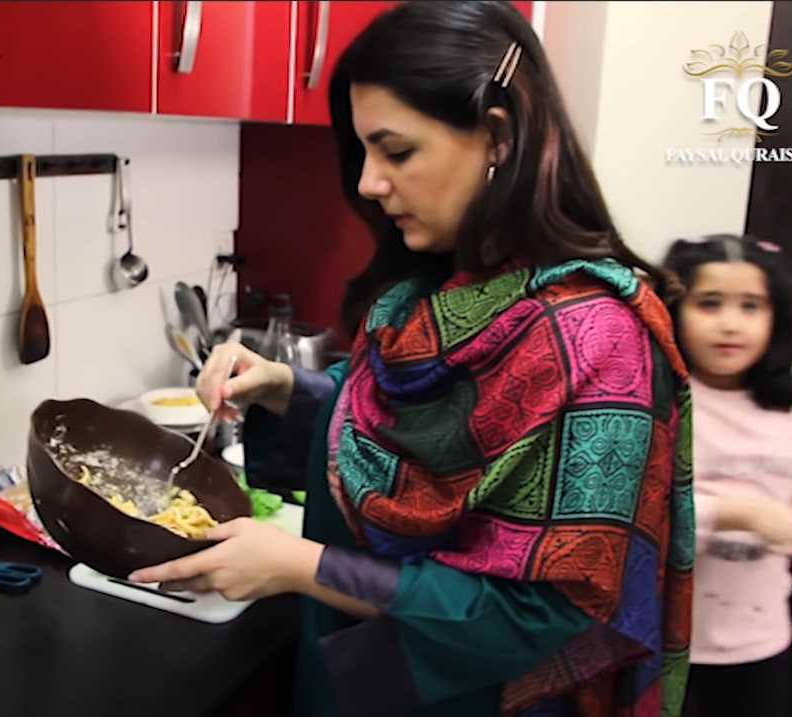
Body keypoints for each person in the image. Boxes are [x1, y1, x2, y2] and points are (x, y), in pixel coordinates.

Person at [130, 3, 694, 716]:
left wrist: (301, 565)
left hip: (476, 695)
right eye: (363, 152)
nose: (368, 182)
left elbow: (545, 606)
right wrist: (285, 389)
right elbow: (394, 424)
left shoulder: (598, 339)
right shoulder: (436, 291)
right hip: (362, 667)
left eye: (396, 152)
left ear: (496, 135)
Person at [661, 235, 792, 717]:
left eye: (751, 306)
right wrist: (743, 513)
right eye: (710, 303)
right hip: (657, 639)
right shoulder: (658, 395)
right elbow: (637, 509)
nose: (731, 324)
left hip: (759, 639)